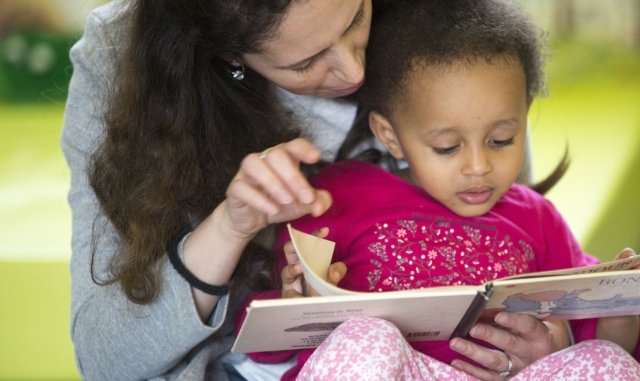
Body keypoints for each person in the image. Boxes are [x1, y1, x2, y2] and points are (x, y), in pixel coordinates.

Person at [60, 0, 539, 380]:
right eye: (306, 61)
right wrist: (230, 227)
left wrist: (537, 346)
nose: (354, 72)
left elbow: (513, 242)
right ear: (230, 55)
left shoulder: (453, 29)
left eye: (356, 17)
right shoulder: (119, 60)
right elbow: (108, 361)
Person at [235, 0, 640, 379]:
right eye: (447, 147)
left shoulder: (537, 218)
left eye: (502, 140)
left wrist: (620, 303)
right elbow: (262, 349)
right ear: (390, 136)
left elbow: (604, 345)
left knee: (602, 360)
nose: (479, 167)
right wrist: (293, 304)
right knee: (366, 336)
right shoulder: (336, 197)